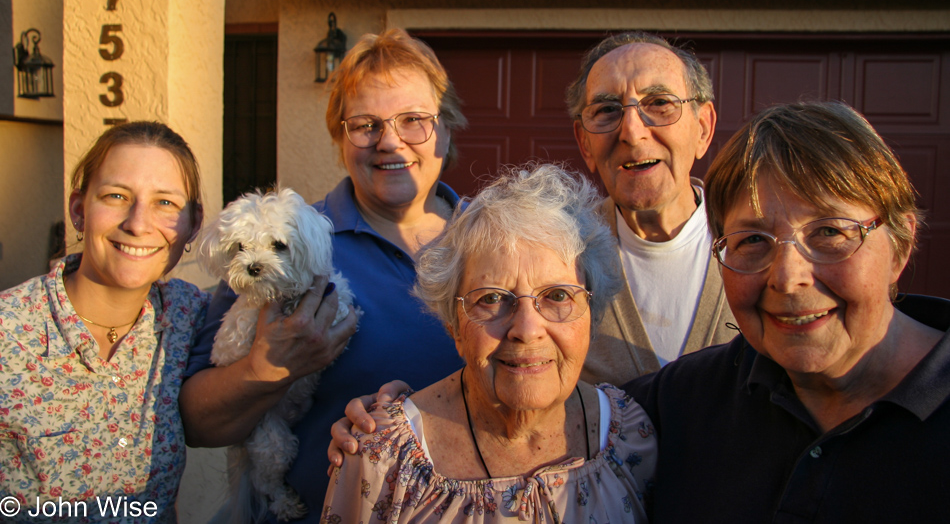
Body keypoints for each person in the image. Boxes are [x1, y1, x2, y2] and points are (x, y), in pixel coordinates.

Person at [179, 28, 469, 519]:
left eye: (414, 120)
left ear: (446, 127)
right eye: (365, 124)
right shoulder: (289, 241)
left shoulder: (493, 240)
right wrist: (264, 368)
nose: (390, 141)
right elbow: (199, 424)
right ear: (339, 135)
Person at [626, 101, 950, 522]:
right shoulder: (681, 404)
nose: (787, 277)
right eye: (753, 240)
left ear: (900, 245)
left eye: (830, 231)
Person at [322, 163, 657, 522]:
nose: (527, 329)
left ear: (591, 313)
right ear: (454, 325)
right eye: (493, 298)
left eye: (558, 295)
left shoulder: (629, 436)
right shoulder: (381, 456)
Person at [0, 121, 209, 521]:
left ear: (193, 224)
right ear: (80, 210)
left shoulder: (190, 316)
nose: (137, 222)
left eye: (166, 203)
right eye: (116, 196)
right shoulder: (9, 331)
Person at [567, 32, 735, 384]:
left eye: (659, 103)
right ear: (585, 144)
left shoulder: (760, 246)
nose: (632, 131)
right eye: (607, 110)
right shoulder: (561, 253)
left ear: (702, 129)